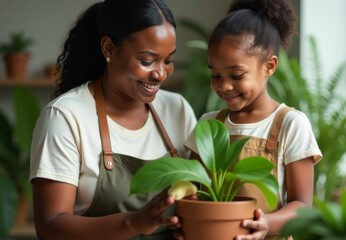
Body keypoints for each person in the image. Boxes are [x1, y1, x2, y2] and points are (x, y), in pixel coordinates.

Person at [29, 0, 197, 239]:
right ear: (109, 48)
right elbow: (50, 225)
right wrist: (131, 223)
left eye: (168, 61)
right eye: (147, 60)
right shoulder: (66, 116)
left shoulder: (176, 109)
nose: (160, 73)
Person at [185, 0, 322, 239]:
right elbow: (192, 188)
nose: (224, 86)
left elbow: (302, 205)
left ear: (269, 66)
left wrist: (266, 224)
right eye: (215, 75)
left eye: (236, 75)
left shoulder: (290, 124)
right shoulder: (209, 124)